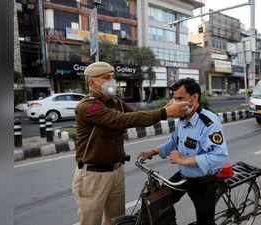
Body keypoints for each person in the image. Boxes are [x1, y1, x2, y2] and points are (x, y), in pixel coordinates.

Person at [72, 62, 191, 225]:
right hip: (93, 175)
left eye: (113, 77)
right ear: (92, 83)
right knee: (90, 222)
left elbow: (136, 117)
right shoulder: (88, 107)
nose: (111, 81)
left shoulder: (115, 102)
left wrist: (166, 108)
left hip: (116, 171)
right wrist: (164, 112)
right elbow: (121, 120)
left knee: (116, 221)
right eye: (106, 78)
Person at [138, 78, 229, 225]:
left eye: (180, 98)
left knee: (205, 221)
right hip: (184, 175)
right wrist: (154, 151)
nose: (175, 103)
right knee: (159, 203)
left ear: (194, 98)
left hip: (204, 181)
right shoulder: (183, 119)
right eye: (174, 98)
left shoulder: (209, 122)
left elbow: (219, 157)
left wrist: (182, 160)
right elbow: (174, 141)